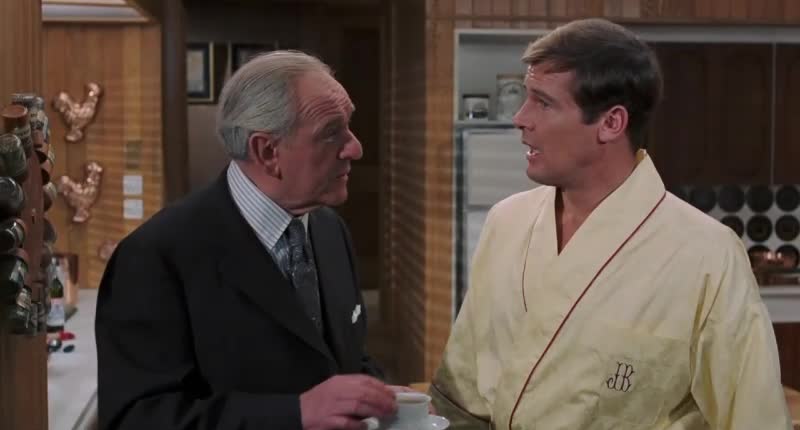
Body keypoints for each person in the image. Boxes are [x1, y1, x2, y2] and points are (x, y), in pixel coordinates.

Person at [431, 18, 791, 430]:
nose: (520, 118)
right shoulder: (506, 222)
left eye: (543, 103)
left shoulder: (707, 255)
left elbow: (754, 418)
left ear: (611, 123)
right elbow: (461, 395)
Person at [95, 50, 399, 430]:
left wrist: (387, 400)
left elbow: (342, 359)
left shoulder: (329, 229)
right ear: (267, 152)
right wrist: (293, 414)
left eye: (348, 126)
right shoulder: (154, 257)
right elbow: (135, 419)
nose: (355, 147)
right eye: (331, 132)